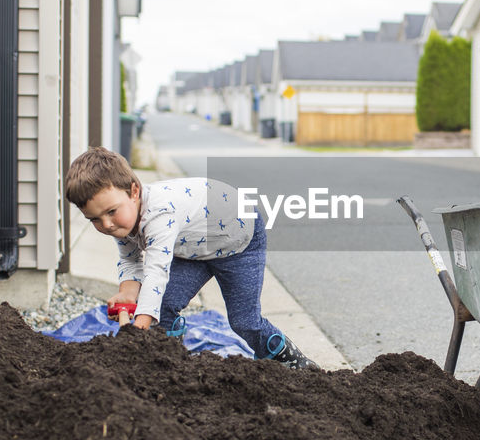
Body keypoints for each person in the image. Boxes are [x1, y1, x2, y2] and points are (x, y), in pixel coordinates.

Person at [63, 146, 318, 370]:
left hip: (238, 242)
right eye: (94, 219)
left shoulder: (160, 214)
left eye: (110, 212)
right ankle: (168, 361)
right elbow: (131, 260)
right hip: (193, 248)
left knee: (244, 321)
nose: (106, 224)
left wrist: (137, 330)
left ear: (133, 192)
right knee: (163, 306)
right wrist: (128, 293)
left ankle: (290, 361)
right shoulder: (121, 221)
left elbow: (155, 273)